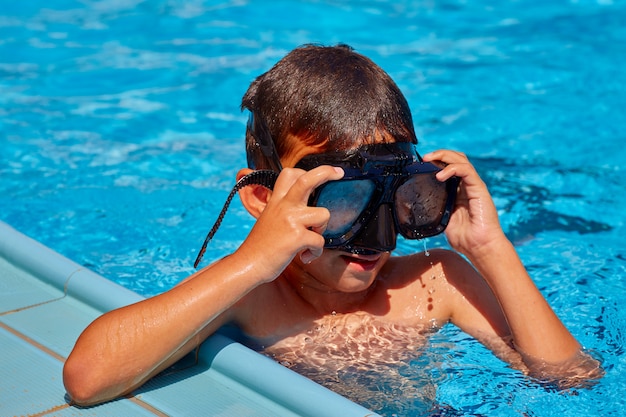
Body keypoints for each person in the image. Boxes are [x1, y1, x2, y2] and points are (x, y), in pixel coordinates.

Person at [63, 44, 601, 407]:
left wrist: (492, 249)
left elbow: (570, 380)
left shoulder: (435, 282)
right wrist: (251, 261)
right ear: (259, 197)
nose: (374, 235)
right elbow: (87, 379)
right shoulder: (251, 296)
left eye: (395, 196)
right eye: (341, 199)